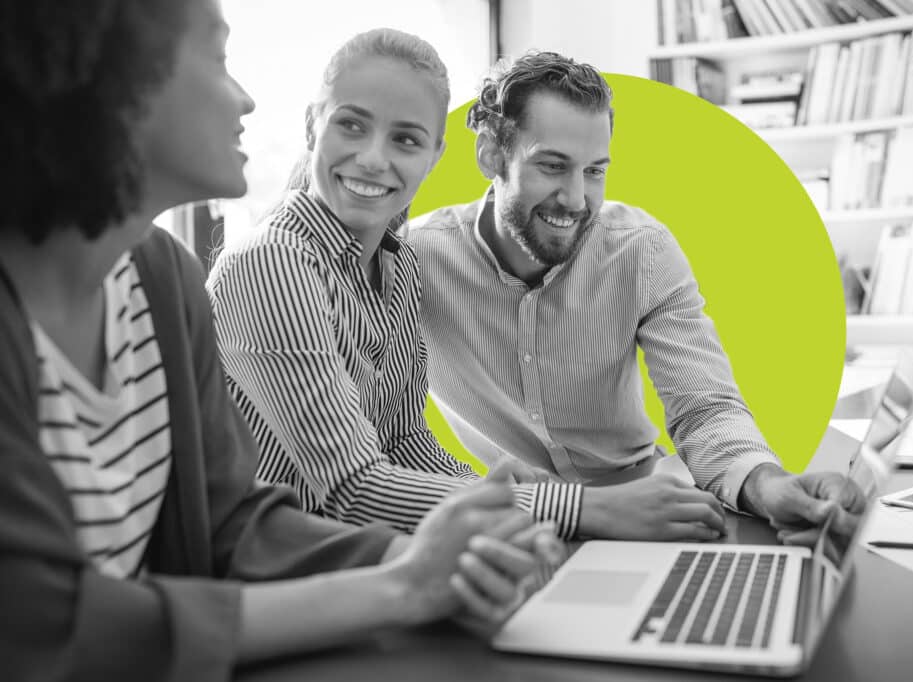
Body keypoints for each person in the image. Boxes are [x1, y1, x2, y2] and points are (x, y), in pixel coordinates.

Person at [0, 3, 562, 680]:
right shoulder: (265, 261)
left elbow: (236, 522)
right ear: (111, 81)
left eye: (408, 139)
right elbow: (41, 628)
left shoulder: (161, 278)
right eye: (218, 58)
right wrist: (401, 585)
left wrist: (450, 556)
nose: (244, 97)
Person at [407, 51, 864, 543]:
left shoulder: (641, 251)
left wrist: (768, 484)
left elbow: (704, 408)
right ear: (491, 155)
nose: (577, 198)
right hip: (512, 521)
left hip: (644, 508)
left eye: (595, 171)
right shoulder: (415, 261)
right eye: (553, 166)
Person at [207, 29, 588, 538]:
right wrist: (567, 509)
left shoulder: (399, 267)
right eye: (351, 126)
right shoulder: (271, 263)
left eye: (406, 139)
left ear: (434, 156)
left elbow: (406, 441)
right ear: (311, 126)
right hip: (270, 578)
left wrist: (496, 496)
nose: (372, 158)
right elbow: (353, 489)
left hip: (365, 564)